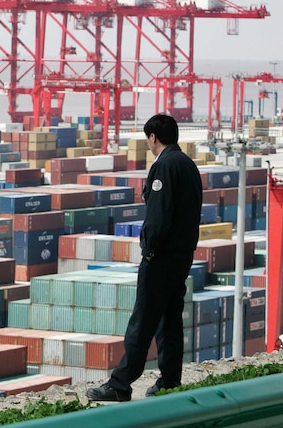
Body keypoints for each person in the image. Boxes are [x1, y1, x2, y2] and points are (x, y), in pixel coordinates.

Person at [87, 113, 203, 401]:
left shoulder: (163, 165)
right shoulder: (188, 165)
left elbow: (158, 216)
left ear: (153, 137)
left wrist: (149, 251)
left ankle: (120, 384)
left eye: (148, 139)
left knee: (142, 321)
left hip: (161, 257)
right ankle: (170, 380)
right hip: (182, 255)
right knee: (170, 320)